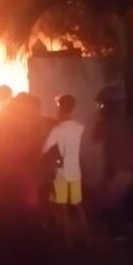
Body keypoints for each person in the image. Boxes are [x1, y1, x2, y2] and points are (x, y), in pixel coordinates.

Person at [42, 94, 87, 246]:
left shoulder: (57, 129)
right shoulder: (80, 127)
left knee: (63, 208)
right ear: (73, 108)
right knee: (78, 205)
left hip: (61, 173)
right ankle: (87, 237)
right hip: (75, 171)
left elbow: (45, 148)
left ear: (60, 108)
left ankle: (68, 241)